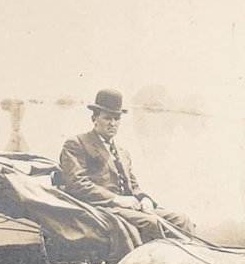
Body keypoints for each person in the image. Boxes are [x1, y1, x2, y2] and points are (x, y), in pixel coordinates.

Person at [56, 89, 194, 242]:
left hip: (128, 208)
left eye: (117, 118)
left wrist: (144, 199)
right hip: (100, 209)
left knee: (181, 220)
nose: (113, 123)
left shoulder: (123, 153)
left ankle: (184, 256)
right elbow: (76, 184)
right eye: (107, 118)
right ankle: (153, 257)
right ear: (94, 118)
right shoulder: (77, 143)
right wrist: (116, 199)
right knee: (150, 223)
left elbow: (134, 186)